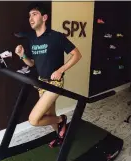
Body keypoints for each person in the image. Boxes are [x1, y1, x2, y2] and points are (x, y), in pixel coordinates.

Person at [15, 2, 82, 148]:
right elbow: (32, 63)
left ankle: (61, 119)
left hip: (54, 84)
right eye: (29, 16)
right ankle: (62, 135)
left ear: (44, 17)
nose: (30, 18)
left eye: (34, 14)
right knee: (49, 116)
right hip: (41, 84)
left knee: (34, 120)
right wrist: (22, 55)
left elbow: (77, 55)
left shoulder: (56, 37)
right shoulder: (33, 39)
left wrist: (60, 70)